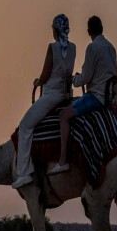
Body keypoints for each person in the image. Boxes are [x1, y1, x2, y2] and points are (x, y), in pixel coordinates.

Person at [49, 15, 117, 175]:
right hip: (111, 97)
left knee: (63, 115)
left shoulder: (92, 48)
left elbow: (86, 77)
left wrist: (74, 79)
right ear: (102, 29)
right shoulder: (111, 47)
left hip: (97, 97)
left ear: (89, 31)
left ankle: (63, 160)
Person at [11, 14, 75, 189]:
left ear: (55, 30)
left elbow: (46, 74)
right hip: (66, 95)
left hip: (51, 95)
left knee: (25, 126)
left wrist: (38, 81)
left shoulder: (52, 48)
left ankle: (24, 172)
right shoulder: (73, 48)